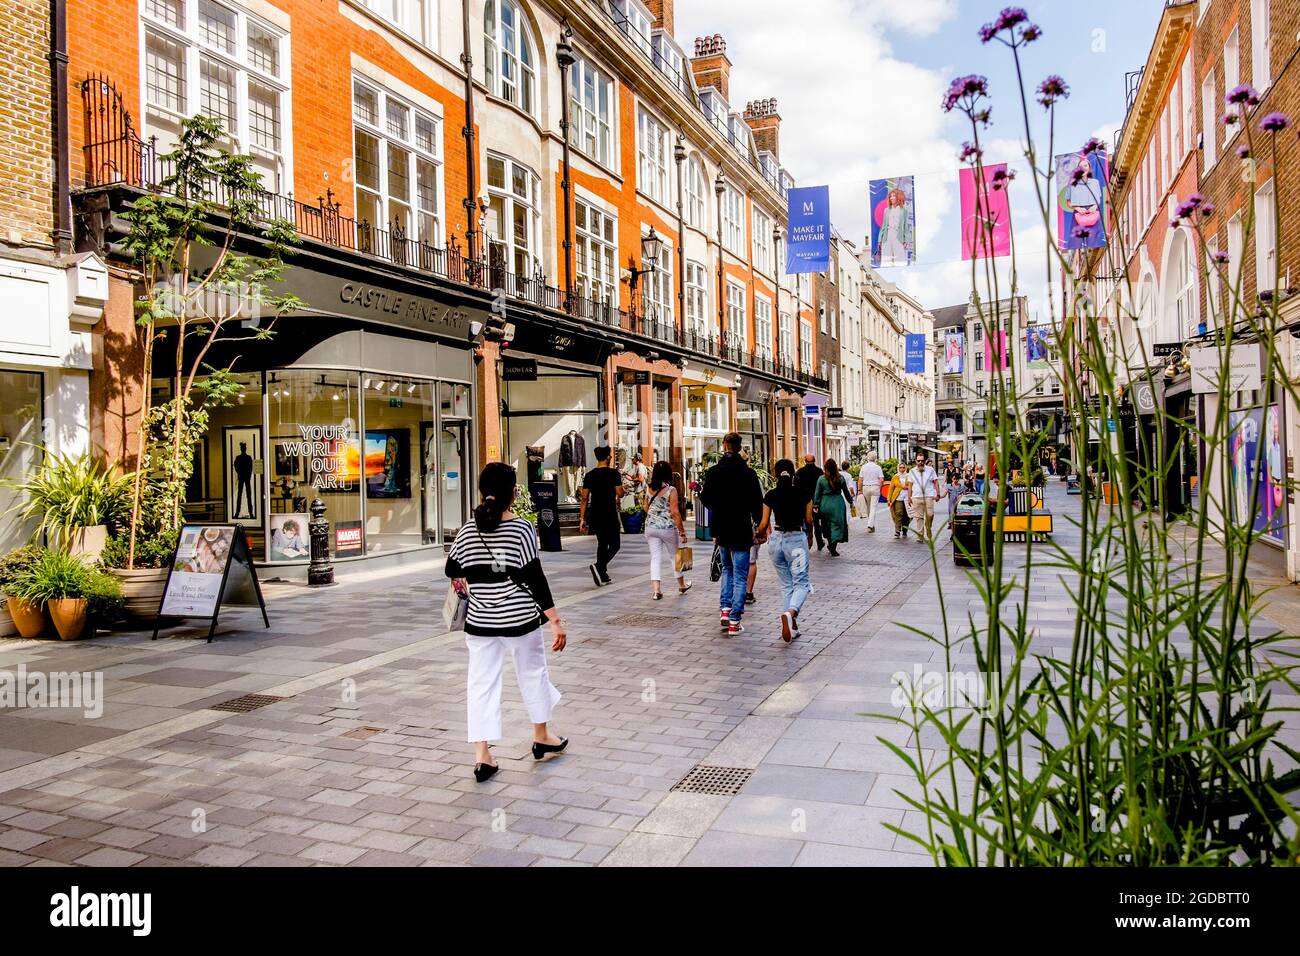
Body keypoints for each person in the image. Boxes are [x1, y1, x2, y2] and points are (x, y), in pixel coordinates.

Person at [445, 462, 567, 784]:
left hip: (480, 623)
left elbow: (451, 568)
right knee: (532, 674)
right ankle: (541, 735)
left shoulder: (467, 529)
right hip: (519, 621)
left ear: (483, 491)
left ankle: (483, 756)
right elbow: (535, 578)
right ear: (513, 494)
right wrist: (555, 620)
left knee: (481, 685)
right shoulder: (523, 529)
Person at [699, 432, 764, 636]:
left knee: (727, 568)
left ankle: (725, 610)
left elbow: (705, 498)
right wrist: (759, 527)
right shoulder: (748, 473)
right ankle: (735, 619)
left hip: (721, 527)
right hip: (741, 527)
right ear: (739, 447)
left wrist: (719, 509)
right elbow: (756, 503)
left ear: (724, 446)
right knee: (741, 574)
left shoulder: (714, 472)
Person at [757, 459, 814, 643]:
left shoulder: (770, 495)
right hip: (796, 541)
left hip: (776, 543)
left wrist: (759, 536)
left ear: (775, 474)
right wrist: (811, 536)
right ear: (793, 473)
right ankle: (791, 613)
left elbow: (764, 524)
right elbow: (809, 519)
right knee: (802, 583)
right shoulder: (804, 493)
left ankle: (792, 625)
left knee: (786, 584)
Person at [643, 460, 692, 600]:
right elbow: (675, 513)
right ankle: (682, 585)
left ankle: (656, 591)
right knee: (674, 557)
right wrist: (682, 531)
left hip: (651, 527)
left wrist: (655, 515)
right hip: (668, 528)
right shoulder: (671, 490)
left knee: (655, 558)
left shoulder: (649, 488)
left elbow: (645, 508)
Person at [579, 445, 622, 587]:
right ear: (608, 457)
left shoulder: (589, 475)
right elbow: (620, 492)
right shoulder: (613, 474)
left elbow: (584, 498)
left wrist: (582, 519)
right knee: (615, 544)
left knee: (602, 544)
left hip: (595, 514)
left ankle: (602, 574)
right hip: (609, 513)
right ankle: (599, 566)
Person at [814, 459, 851, 556]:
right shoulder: (840, 478)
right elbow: (846, 492)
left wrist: (816, 505)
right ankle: (832, 546)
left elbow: (817, 494)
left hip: (825, 504)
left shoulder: (821, 479)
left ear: (825, 467)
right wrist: (851, 502)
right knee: (837, 526)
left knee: (826, 525)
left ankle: (830, 542)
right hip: (838, 504)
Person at [905, 452, 941, 543]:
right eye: (918, 461)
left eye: (922, 461)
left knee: (930, 514)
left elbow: (936, 482)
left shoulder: (930, 470)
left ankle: (928, 527)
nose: (920, 462)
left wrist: (938, 494)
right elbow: (910, 485)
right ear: (916, 461)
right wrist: (909, 497)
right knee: (919, 517)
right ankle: (920, 536)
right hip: (916, 497)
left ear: (924, 461)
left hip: (928, 496)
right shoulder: (912, 471)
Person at [795, 454, 825, 550]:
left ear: (805, 461)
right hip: (816, 501)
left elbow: (795, 486)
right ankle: (819, 541)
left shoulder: (800, 472)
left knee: (805, 521)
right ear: (815, 460)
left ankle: (806, 540)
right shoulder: (819, 471)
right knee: (816, 522)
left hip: (803, 501)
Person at [860, 451, 885, 533]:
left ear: (868, 457)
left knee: (868, 506)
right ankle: (870, 525)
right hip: (875, 487)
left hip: (865, 488)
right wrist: (880, 488)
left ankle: (870, 524)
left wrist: (859, 490)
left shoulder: (863, 467)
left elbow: (860, 480)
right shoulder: (878, 467)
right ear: (875, 458)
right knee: (873, 507)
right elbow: (881, 480)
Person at [887, 469, 911, 539]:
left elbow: (912, 486)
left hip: (907, 498)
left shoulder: (909, 476)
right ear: (898, 468)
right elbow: (891, 488)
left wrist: (907, 487)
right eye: (900, 467)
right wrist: (889, 499)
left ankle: (905, 530)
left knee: (906, 515)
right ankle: (897, 531)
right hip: (898, 498)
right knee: (898, 513)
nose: (902, 469)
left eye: (904, 467)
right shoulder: (895, 477)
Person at [945, 467, 964, 533]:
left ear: (958, 479)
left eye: (956, 479)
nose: (955, 480)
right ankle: (952, 534)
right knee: (952, 519)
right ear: (951, 479)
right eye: (954, 479)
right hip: (951, 504)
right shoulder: (949, 486)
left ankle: (958, 532)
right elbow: (944, 495)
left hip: (958, 504)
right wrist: (937, 497)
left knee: (958, 518)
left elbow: (964, 494)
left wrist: (961, 496)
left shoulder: (961, 486)